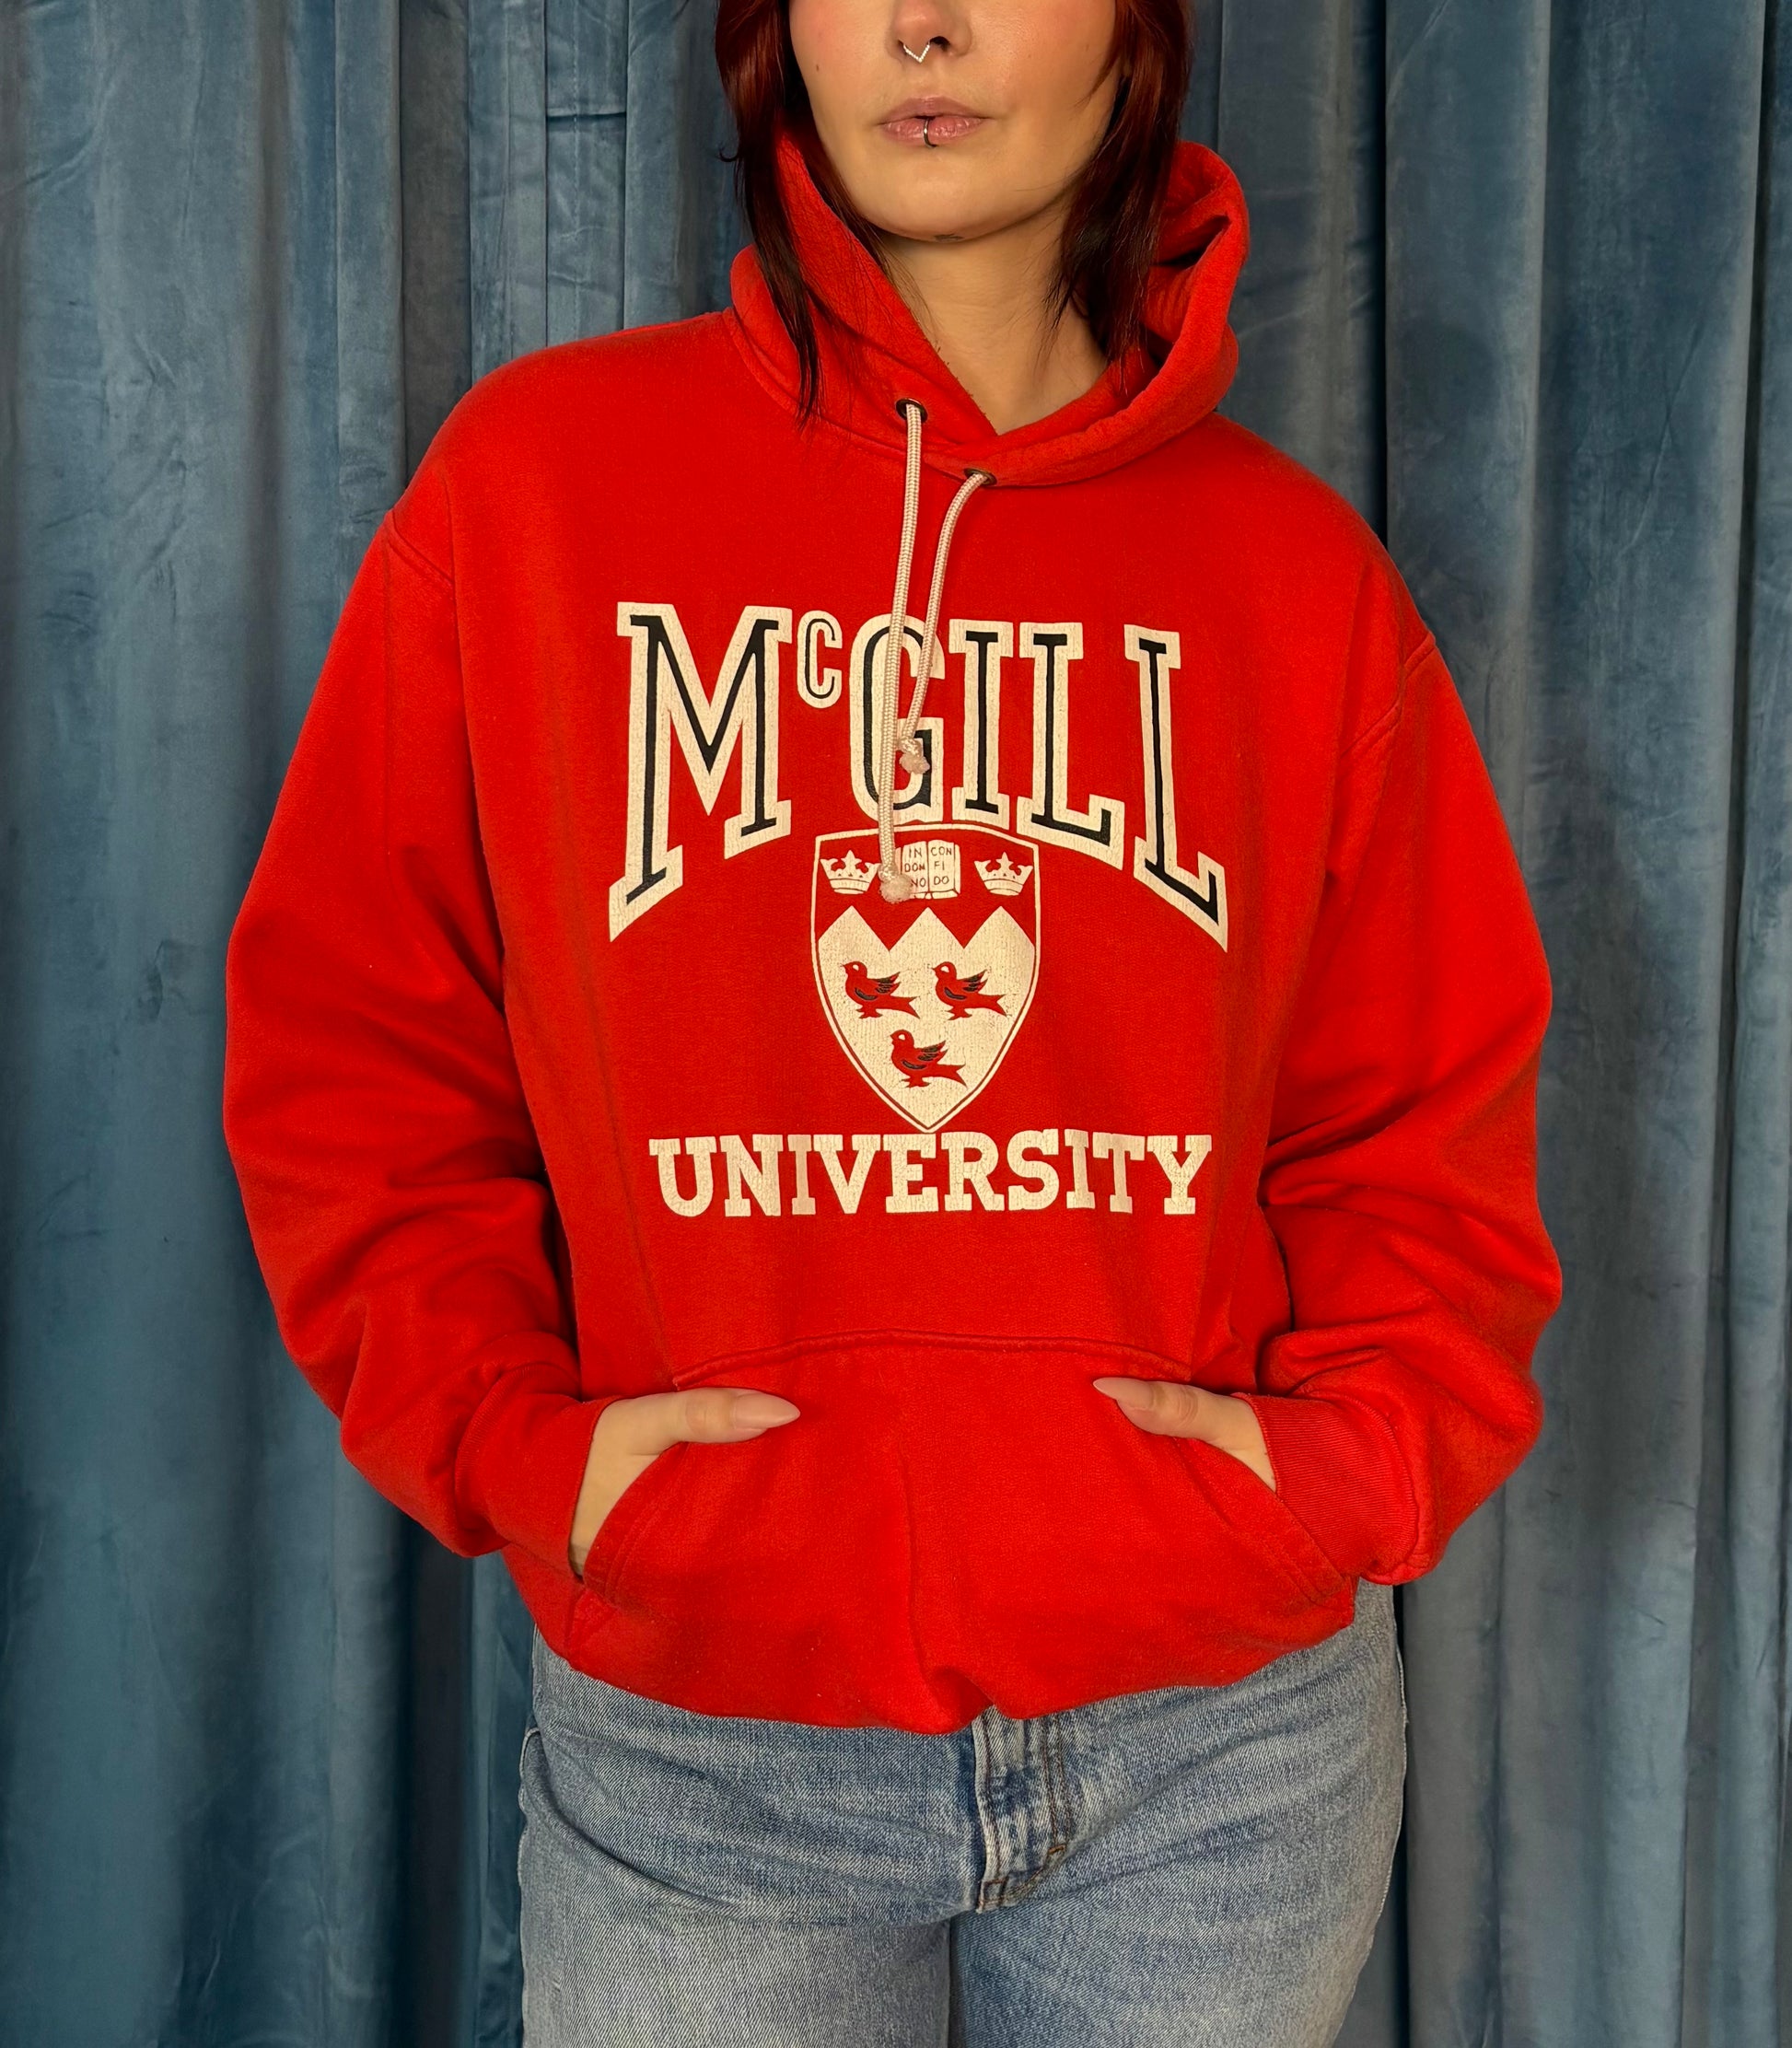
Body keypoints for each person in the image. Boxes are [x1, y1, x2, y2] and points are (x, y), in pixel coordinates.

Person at [221, 0, 1564, 2040]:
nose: (921, 24)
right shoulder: (537, 490)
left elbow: (1420, 1122)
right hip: (707, 1745)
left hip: (1216, 1758)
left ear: (1135, 41)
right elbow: (357, 1050)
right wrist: (520, 1450)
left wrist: (1336, 1477)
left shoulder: (1295, 580)